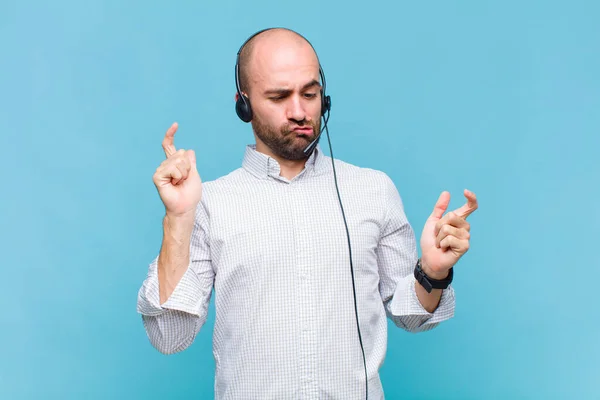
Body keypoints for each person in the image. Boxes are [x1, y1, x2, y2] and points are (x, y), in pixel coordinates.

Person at [137, 27, 478, 400]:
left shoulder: (373, 190)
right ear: (244, 105)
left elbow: (411, 316)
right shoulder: (211, 203)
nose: (300, 111)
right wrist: (178, 219)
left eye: (310, 93)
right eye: (279, 96)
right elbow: (169, 336)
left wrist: (433, 272)